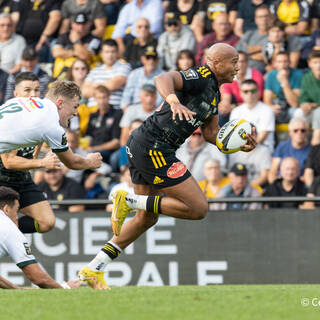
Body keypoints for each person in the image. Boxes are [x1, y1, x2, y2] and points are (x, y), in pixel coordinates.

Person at [78, 43, 257, 289]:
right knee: (197, 207)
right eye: (234, 61)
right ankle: (128, 200)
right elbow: (164, 77)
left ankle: (93, 268)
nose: (238, 66)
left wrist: (237, 144)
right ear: (215, 63)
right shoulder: (202, 76)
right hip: (154, 147)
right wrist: (173, 100)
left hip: (144, 145)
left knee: (146, 218)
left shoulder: (214, 93)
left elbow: (210, 133)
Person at [0, 80, 102, 233]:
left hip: (20, 176)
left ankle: (7, 234)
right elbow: (72, 162)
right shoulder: (50, 125)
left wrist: (36, 155)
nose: (75, 113)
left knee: (46, 222)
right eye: (74, 107)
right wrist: (90, 162)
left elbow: (33, 134)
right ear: (60, 103)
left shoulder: (29, 104)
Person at [0, 186, 80, 289]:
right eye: (16, 211)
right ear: (6, 209)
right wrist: (65, 288)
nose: (17, 217)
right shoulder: (9, 229)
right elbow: (38, 278)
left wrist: (18, 290)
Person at [82, 39, 131, 109]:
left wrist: (93, 86)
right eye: (107, 52)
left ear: (117, 53)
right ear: (101, 53)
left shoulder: (124, 66)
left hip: (114, 110)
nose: (110, 55)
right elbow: (84, 91)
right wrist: (106, 85)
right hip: (92, 110)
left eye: (113, 52)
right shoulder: (94, 70)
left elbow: (113, 85)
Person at [230, 79, 275, 153]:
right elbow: (233, 136)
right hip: (241, 150)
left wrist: (248, 149)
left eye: (253, 91)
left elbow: (261, 138)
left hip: (262, 149)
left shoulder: (267, 110)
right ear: (240, 93)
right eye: (246, 91)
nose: (249, 94)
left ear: (258, 92)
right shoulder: (235, 111)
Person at [84, 86, 122, 169]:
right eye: (99, 98)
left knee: (91, 156)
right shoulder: (93, 116)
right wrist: (81, 146)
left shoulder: (117, 114)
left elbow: (116, 143)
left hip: (109, 152)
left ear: (109, 97)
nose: (102, 101)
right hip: (92, 150)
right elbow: (88, 136)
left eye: (104, 97)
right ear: (94, 98)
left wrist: (93, 148)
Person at [219, 51, 264, 117]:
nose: (240, 64)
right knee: (222, 113)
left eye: (242, 61)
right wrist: (225, 106)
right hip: (236, 107)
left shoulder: (256, 75)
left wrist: (235, 106)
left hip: (255, 106)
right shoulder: (228, 76)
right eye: (236, 62)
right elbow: (226, 100)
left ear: (248, 63)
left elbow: (255, 98)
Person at [120, 45, 164, 110]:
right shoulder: (134, 74)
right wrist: (128, 112)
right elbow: (126, 97)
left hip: (153, 111)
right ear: (142, 59)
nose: (151, 61)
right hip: (133, 109)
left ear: (157, 60)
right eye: (148, 57)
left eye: (154, 58)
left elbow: (161, 101)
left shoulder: (164, 76)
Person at [264, 52, 303, 123]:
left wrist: (284, 82)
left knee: (296, 111)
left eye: (285, 61)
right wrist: (272, 107)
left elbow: (295, 103)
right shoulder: (271, 75)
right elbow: (267, 100)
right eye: (279, 62)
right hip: (279, 105)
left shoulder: (298, 74)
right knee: (268, 112)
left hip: (291, 107)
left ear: (289, 62)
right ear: (274, 63)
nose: (282, 64)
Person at [268, 117, 310, 183]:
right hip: (281, 187)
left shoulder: (312, 150)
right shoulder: (282, 147)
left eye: (303, 130)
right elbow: (272, 173)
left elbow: (309, 177)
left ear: (307, 132)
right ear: (290, 132)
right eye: (295, 130)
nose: (299, 133)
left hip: (301, 188)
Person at [236, 5, 272, 73]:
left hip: (261, 72)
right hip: (242, 71)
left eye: (266, 16)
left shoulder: (275, 35)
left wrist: (247, 53)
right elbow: (238, 51)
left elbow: (268, 57)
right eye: (260, 17)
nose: (264, 19)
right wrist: (261, 49)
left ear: (271, 18)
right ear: (256, 20)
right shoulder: (249, 34)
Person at [296, 50, 320, 145]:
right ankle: (300, 141)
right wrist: (304, 105)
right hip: (311, 110)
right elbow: (303, 97)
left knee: (319, 112)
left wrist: (314, 105)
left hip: (317, 111)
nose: (318, 65)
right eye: (315, 62)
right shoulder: (307, 78)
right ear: (310, 64)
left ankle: (315, 141)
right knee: (298, 113)